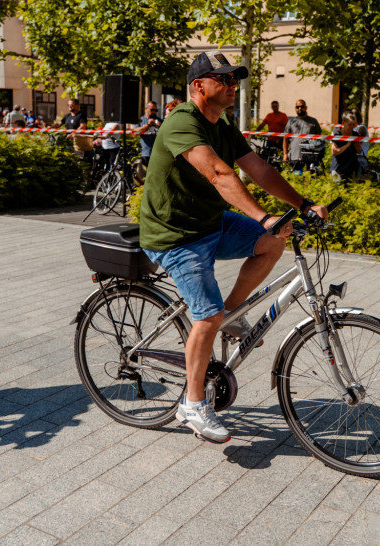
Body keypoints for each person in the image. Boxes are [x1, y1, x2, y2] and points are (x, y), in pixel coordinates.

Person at [139, 51, 328, 444]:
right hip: (176, 235)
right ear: (199, 86)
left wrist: (302, 204)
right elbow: (219, 173)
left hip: (211, 223)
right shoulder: (181, 123)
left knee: (271, 243)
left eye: (233, 80)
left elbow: (256, 168)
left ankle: (232, 314)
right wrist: (262, 215)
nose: (231, 86)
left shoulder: (222, 123)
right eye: (222, 79)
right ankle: (192, 403)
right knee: (205, 318)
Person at [282, 99, 323, 171]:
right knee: (297, 177)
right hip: (295, 155)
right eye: (297, 107)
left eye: (302, 106)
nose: (299, 108)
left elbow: (318, 138)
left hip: (310, 156)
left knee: (310, 178)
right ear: (295, 108)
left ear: (306, 107)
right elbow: (285, 138)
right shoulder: (291, 122)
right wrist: (285, 154)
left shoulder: (313, 121)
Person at [329, 111, 360, 182]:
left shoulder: (355, 135)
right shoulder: (337, 135)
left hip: (352, 169)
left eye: (353, 124)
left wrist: (357, 145)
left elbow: (359, 151)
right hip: (338, 169)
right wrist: (347, 145)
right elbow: (334, 152)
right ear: (343, 123)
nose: (352, 127)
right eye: (349, 125)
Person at [137, 101, 161, 166]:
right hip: (146, 153)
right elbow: (135, 132)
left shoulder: (159, 120)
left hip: (158, 154)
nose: (154, 112)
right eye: (152, 110)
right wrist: (147, 125)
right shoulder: (140, 120)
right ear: (146, 109)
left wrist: (161, 126)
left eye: (156, 110)